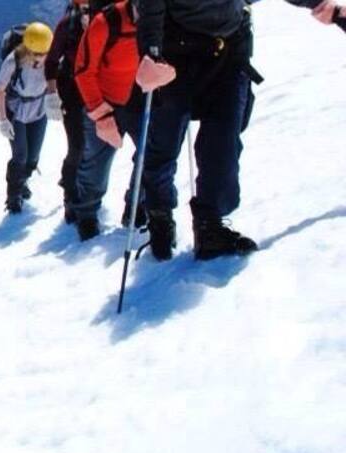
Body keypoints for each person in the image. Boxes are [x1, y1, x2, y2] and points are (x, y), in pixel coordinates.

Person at [135, 0, 334, 260]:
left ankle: (210, 225)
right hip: (176, 52)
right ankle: (159, 214)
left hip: (229, 51)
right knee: (165, 140)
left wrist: (320, 5)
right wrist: (150, 54)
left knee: (223, 141)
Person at [71, 0, 145, 241]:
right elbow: (83, 70)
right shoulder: (106, 22)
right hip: (106, 101)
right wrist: (100, 112)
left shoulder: (160, 21)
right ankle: (87, 214)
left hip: (142, 100)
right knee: (96, 162)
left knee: (151, 157)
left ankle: (137, 207)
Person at [0, 22, 55, 214]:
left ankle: (22, 181)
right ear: (27, 48)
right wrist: (3, 120)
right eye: (35, 54)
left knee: (33, 158)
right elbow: (0, 90)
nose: (39, 58)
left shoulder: (51, 58)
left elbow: (55, 79)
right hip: (17, 111)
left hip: (39, 110)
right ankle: (13, 197)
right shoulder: (13, 61)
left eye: (43, 54)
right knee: (20, 156)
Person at [46, 0, 94, 223]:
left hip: (95, 90)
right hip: (72, 90)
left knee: (90, 146)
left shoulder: (105, 22)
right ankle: (71, 194)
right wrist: (52, 93)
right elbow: (52, 60)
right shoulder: (67, 26)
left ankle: (82, 191)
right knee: (77, 145)